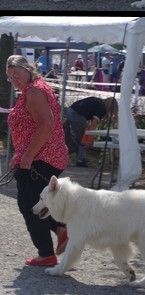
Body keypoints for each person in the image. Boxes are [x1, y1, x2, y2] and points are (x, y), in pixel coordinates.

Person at [5, 55, 69, 267]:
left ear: (28, 69)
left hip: (42, 157)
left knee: (27, 202)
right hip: (45, 156)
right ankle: (60, 228)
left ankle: (46, 253)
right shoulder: (35, 88)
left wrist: (28, 155)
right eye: (10, 77)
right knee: (36, 201)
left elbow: (46, 124)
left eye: (17, 74)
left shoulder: (33, 91)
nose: (15, 79)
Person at [65, 96, 118, 167]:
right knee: (82, 139)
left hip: (71, 110)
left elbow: (89, 118)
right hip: (77, 115)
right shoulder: (102, 108)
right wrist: (90, 138)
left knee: (77, 137)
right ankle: (80, 160)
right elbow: (93, 124)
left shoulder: (98, 101)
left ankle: (73, 155)